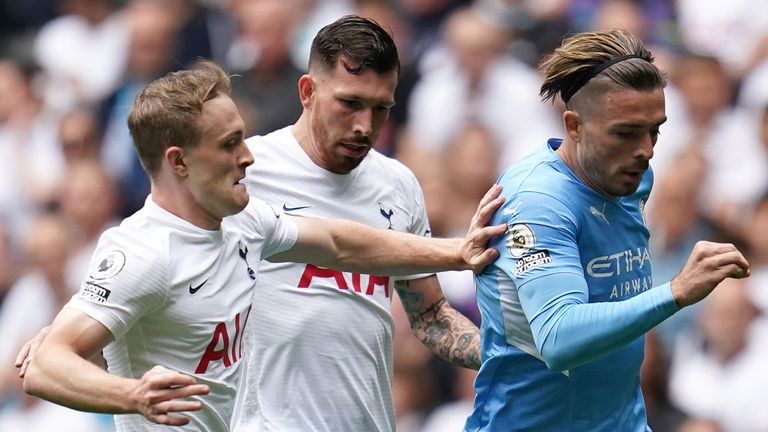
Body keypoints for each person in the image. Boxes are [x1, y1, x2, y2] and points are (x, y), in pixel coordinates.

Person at [19, 60, 506, 432]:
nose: (248, 156)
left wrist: (455, 254)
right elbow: (45, 365)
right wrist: (131, 394)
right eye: (230, 144)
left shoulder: (245, 220)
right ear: (179, 162)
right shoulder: (144, 252)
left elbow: (339, 241)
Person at [465, 29, 750, 431]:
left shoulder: (634, 177)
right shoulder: (538, 201)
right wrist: (674, 292)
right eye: (626, 132)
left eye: (655, 130)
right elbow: (559, 339)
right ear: (574, 125)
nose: (647, 150)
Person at [231, 15, 490, 431]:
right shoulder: (248, 173)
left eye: (381, 109)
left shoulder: (398, 184)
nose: (364, 127)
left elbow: (429, 315)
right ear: (307, 91)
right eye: (349, 103)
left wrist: (506, 354)